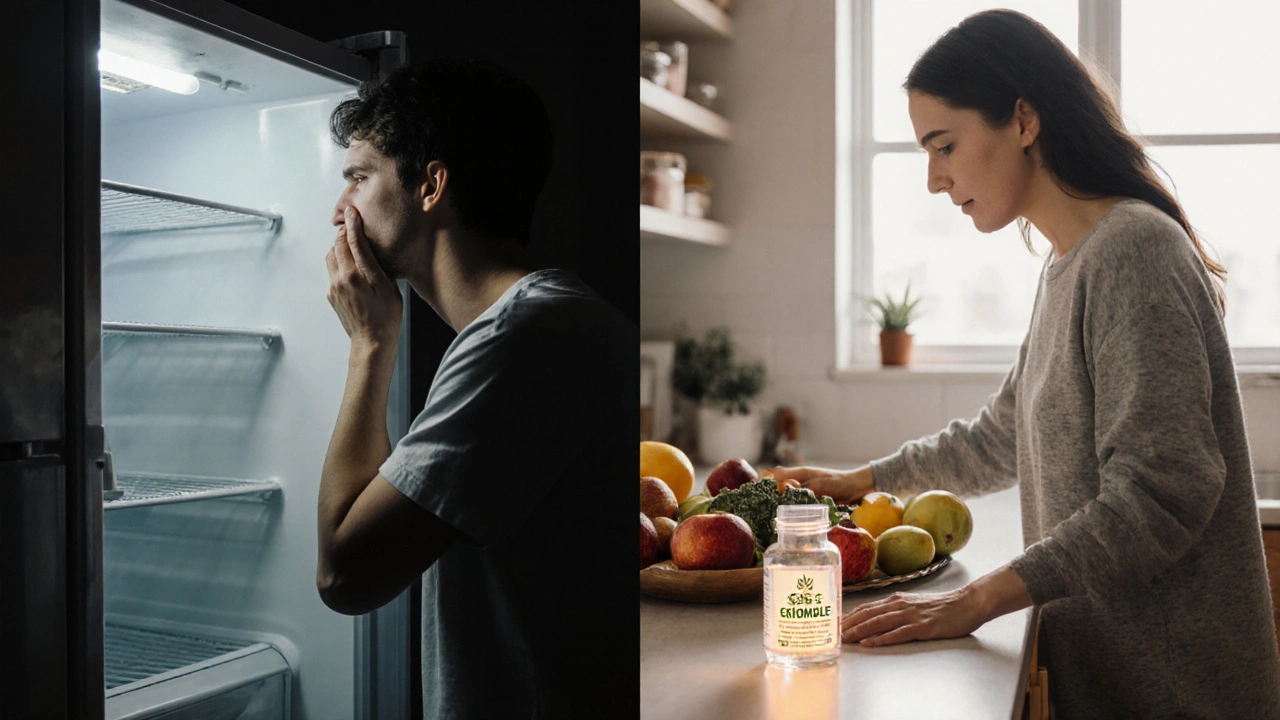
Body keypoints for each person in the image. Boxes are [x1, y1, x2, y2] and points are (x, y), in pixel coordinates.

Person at [773, 10, 1280, 718]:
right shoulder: (1069, 263)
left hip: (1175, 688)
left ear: (1023, 120)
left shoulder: (1134, 250)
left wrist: (978, 599)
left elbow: (1163, 492)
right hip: (1110, 674)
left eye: (943, 145)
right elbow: (1003, 436)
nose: (933, 179)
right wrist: (860, 482)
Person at [313, 59, 636, 719]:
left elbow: (345, 573)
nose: (339, 211)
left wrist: (370, 345)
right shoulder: (540, 323)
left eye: (359, 177)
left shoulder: (523, 339)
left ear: (431, 184)